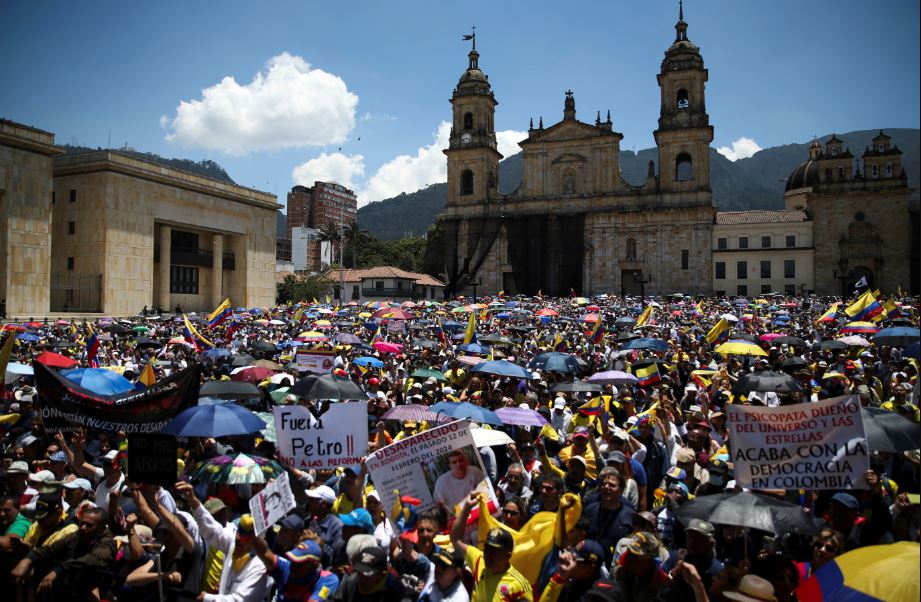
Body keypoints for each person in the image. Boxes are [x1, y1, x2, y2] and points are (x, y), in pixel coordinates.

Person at [176, 481, 268, 602]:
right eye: (239, 533)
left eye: (247, 537)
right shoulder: (233, 545)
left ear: (257, 542)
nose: (239, 539)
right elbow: (213, 529)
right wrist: (193, 500)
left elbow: (240, 600)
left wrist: (208, 598)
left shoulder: (259, 567)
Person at [11, 506, 114, 597]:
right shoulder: (77, 535)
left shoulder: (107, 543)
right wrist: (26, 560)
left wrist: (58, 570)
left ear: (101, 528)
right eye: (82, 523)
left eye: (89, 525)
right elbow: (49, 550)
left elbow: (92, 559)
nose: (83, 528)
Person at [451, 493, 533, 602]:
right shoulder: (479, 561)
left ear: (507, 555)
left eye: (494, 551)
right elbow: (455, 538)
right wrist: (467, 507)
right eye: (486, 548)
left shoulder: (519, 586)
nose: (488, 555)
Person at [249, 536, 340, 602]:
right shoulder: (286, 567)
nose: (293, 565)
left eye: (299, 562)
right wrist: (250, 535)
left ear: (313, 565)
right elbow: (264, 553)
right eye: (293, 559)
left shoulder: (328, 580)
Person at [582, 467, 635, 565]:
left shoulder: (630, 517)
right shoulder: (590, 510)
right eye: (603, 484)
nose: (606, 487)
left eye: (612, 485)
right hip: (586, 564)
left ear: (620, 490)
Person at [331, 545, 419, 602]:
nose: (361, 578)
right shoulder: (351, 582)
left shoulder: (398, 591)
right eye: (359, 572)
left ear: (382, 575)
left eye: (367, 576)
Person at [541, 540, 606, 602]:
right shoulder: (578, 577)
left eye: (575, 560)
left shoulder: (593, 596)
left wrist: (561, 576)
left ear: (590, 568)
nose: (569, 561)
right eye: (571, 555)